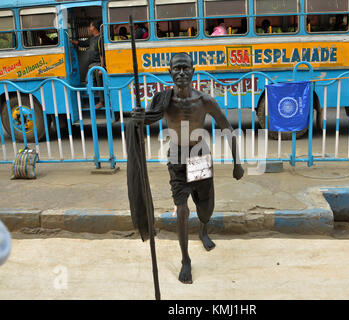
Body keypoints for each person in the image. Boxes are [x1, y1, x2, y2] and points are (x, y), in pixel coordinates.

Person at [132, 53, 244, 284]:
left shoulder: (204, 101)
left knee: (205, 207)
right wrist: (137, 118)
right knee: (181, 208)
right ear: (169, 72)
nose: (181, 73)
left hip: (200, 155)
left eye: (185, 68)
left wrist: (238, 163)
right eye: (176, 68)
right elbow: (147, 118)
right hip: (176, 156)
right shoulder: (163, 100)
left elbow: (227, 129)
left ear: (194, 71)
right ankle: (185, 260)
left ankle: (203, 229)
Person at [70, 20, 105, 109]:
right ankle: (93, 100)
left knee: (100, 83)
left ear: (94, 27)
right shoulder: (92, 38)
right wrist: (70, 41)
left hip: (97, 65)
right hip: (91, 66)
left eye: (90, 26)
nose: (89, 28)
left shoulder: (101, 38)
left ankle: (102, 102)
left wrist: (102, 67)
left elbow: (102, 54)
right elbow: (83, 43)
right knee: (88, 82)